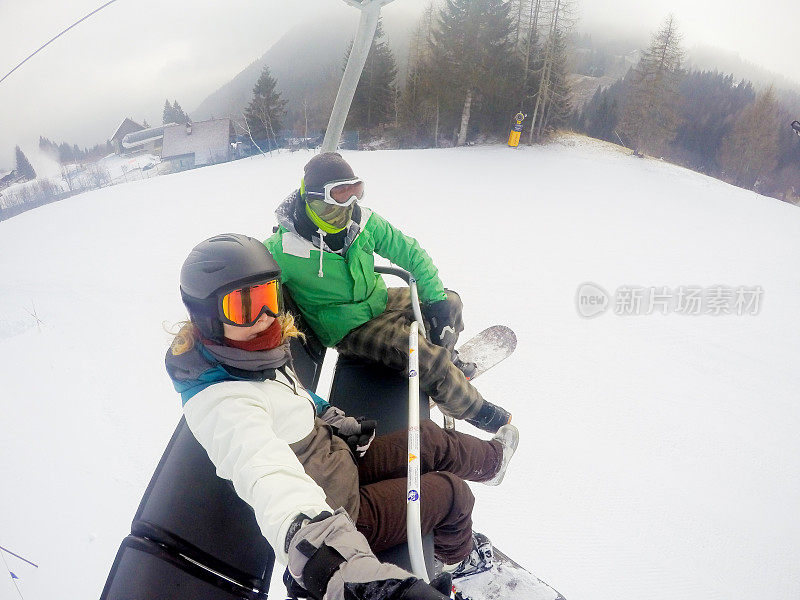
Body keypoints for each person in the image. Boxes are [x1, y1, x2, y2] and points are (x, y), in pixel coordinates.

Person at [165, 234, 520, 600]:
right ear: (206, 316)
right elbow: (267, 476)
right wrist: (330, 562)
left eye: (270, 299)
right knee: (452, 494)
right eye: (245, 307)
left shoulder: (245, 353)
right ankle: (458, 562)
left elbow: (291, 394)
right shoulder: (224, 405)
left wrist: (328, 415)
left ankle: (492, 464)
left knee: (429, 438)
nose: (265, 317)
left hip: (338, 457)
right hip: (339, 512)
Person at [264, 152, 512, 433]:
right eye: (338, 198)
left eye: (354, 194)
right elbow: (250, 281)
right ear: (313, 200)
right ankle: (474, 409)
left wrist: (437, 306)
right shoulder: (282, 250)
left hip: (379, 301)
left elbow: (410, 252)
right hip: (349, 328)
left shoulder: (361, 223)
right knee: (423, 356)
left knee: (450, 300)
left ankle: (442, 366)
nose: (347, 209)